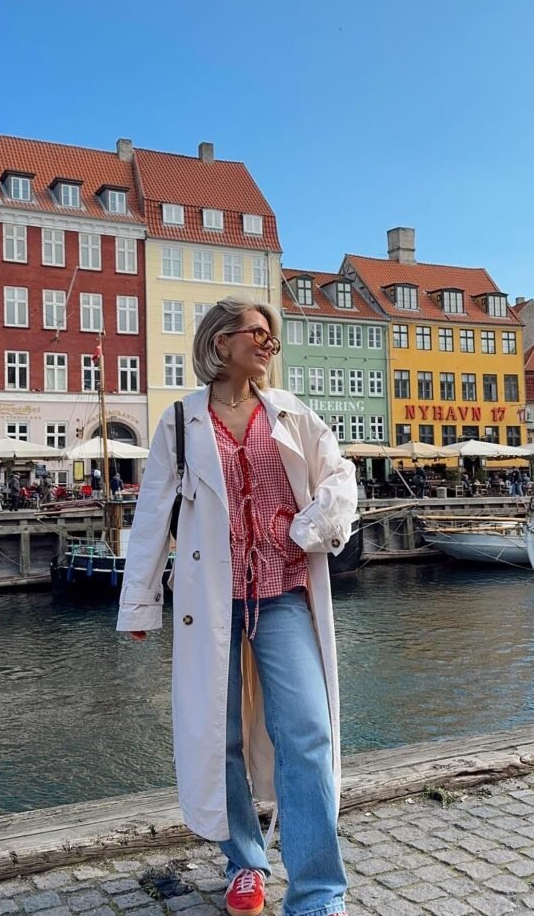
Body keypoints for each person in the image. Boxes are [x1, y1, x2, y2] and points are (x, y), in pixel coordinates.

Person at [117, 297, 356, 916]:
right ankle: (245, 863)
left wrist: (306, 530)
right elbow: (151, 521)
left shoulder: (292, 413)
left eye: (273, 337)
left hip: (281, 596)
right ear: (221, 342)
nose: (268, 344)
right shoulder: (180, 421)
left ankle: (317, 892)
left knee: (307, 732)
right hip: (210, 602)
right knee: (217, 735)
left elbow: (340, 480)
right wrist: (139, 603)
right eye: (258, 333)